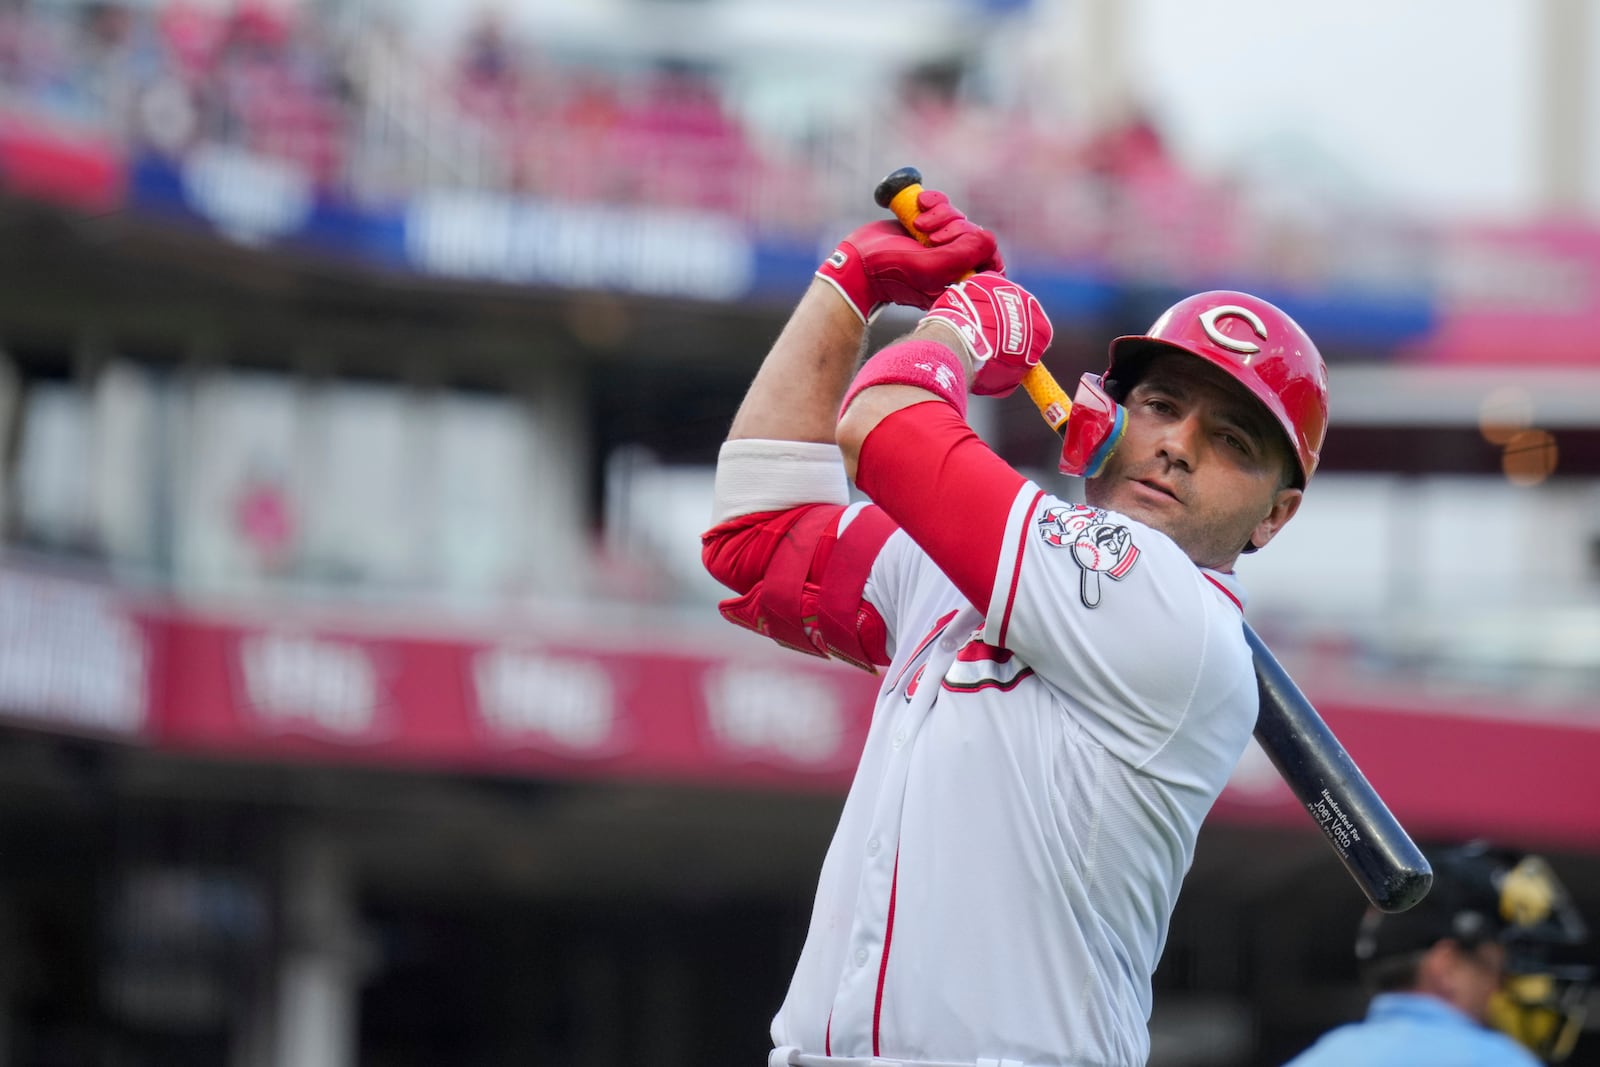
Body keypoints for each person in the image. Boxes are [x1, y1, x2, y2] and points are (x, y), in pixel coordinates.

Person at [701, 188, 1327, 1067]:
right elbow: (756, 539)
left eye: (1233, 440)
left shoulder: (1174, 613)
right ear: (1109, 413)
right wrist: (848, 288)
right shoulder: (992, 563)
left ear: (1275, 515)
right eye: (1160, 405)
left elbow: (885, 425)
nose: (1178, 445)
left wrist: (959, 330)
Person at [1281, 841, 1594, 1066]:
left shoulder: (1321, 1057)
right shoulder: (1498, 1060)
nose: (1501, 984)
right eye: (1498, 966)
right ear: (1448, 966)